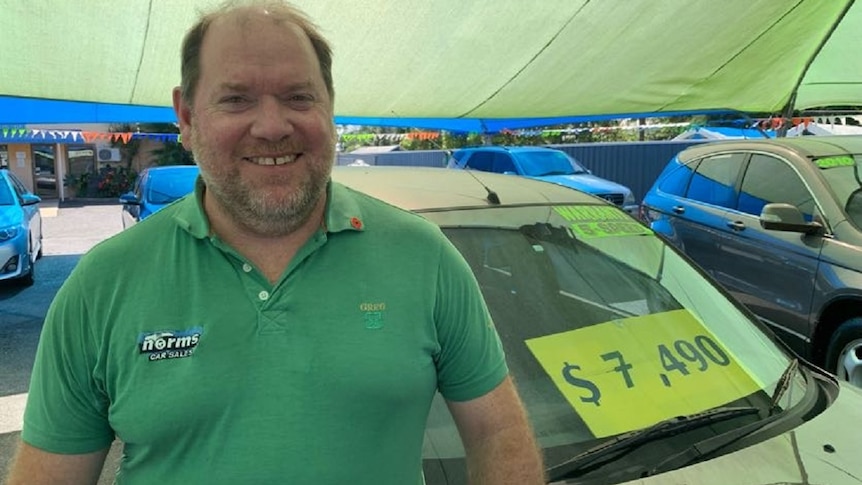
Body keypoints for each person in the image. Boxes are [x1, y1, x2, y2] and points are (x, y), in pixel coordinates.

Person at [6, 1, 545, 484]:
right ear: (188, 118)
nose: (271, 126)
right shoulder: (103, 283)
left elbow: (498, 433)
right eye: (237, 99)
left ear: (330, 109)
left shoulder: (425, 258)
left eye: (298, 97)